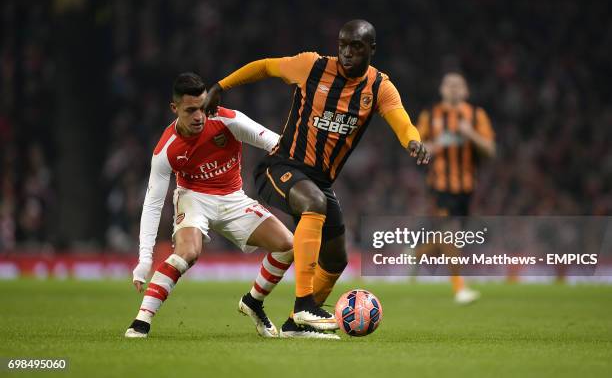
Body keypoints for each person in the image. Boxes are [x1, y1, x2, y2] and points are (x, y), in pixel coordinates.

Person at [202, 19, 430, 336]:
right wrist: (220, 87)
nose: (348, 53)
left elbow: (401, 119)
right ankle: (304, 305)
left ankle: (295, 325)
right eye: (343, 45)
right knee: (313, 202)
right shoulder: (312, 66)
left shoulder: (379, 88)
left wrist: (413, 141)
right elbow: (266, 66)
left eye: (357, 47)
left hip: (319, 182)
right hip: (280, 168)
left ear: (372, 49)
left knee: (336, 259)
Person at [125, 73, 297, 339]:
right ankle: (141, 321)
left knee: (289, 246)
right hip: (194, 197)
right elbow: (153, 203)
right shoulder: (166, 149)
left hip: (234, 198)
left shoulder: (229, 120)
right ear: (175, 109)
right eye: (190, 110)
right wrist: (144, 259)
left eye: (202, 107)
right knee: (188, 252)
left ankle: (253, 301)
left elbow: (277, 144)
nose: (199, 116)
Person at [416, 72, 496, 304]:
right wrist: (436, 146)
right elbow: (417, 147)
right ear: (441, 90)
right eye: (448, 85)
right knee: (450, 232)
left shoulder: (475, 116)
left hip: (467, 187)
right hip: (440, 185)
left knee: (448, 238)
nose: (452, 89)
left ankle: (414, 255)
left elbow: (490, 150)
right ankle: (460, 287)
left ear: (465, 91)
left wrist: (469, 134)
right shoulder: (430, 115)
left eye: (457, 85)